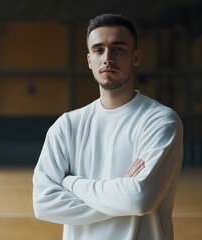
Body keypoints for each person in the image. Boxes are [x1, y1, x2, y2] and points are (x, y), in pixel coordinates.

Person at [32, 13, 183, 240]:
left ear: (136, 57)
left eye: (118, 49)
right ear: (89, 60)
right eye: (98, 50)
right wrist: (121, 195)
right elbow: (43, 203)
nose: (107, 58)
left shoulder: (160, 121)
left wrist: (71, 182)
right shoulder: (66, 126)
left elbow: (139, 199)